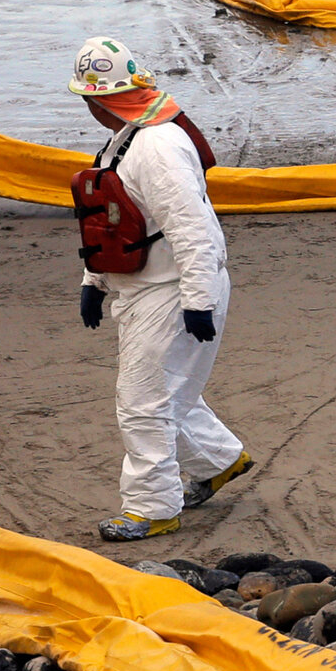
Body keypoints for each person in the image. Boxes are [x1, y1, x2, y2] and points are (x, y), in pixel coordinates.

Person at [64, 35, 253, 542]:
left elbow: (194, 229)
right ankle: (220, 461)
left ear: (100, 100)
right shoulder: (125, 139)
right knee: (170, 392)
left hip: (172, 291)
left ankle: (152, 508)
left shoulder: (157, 147)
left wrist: (198, 301)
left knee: (143, 402)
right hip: (144, 288)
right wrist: (94, 281)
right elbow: (110, 219)